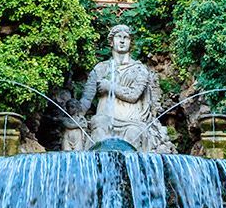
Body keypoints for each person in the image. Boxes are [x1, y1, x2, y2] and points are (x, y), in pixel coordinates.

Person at [74, 24, 172, 152]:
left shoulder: (139, 69)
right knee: (98, 136)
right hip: (103, 121)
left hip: (131, 122)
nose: (122, 40)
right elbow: (86, 99)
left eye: (126, 38)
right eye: (118, 37)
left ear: (130, 42)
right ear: (111, 42)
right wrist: (75, 115)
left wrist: (110, 86)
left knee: (133, 137)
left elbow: (134, 95)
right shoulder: (100, 68)